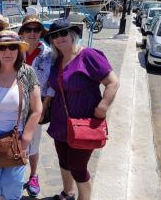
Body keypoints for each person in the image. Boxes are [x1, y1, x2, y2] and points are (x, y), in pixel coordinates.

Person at [43, 18, 119, 200]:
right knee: (63, 161)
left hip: (84, 123)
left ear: (73, 34)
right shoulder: (57, 60)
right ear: (51, 40)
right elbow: (54, 87)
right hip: (61, 121)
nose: (59, 38)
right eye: (54, 35)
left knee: (77, 167)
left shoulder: (88, 55)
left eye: (63, 33)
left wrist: (104, 106)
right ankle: (67, 192)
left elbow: (113, 82)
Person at [0, 30, 43, 200]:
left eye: (12, 47)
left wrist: (25, 139)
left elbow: (37, 108)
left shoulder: (28, 73)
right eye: (2, 48)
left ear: (19, 50)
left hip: (17, 138)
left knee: (13, 183)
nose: (7, 52)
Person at [18, 15, 54, 198]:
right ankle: (14, 175)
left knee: (34, 142)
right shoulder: (14, 50)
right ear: (22, 32)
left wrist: (45, 105)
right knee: (15, 140)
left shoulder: (49, 54)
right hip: (14, 105)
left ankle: (33, 175)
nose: (32, 33)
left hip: (37, 106)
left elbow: (52, 83)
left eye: (36, 29)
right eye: (28, 29)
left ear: (41, 32)